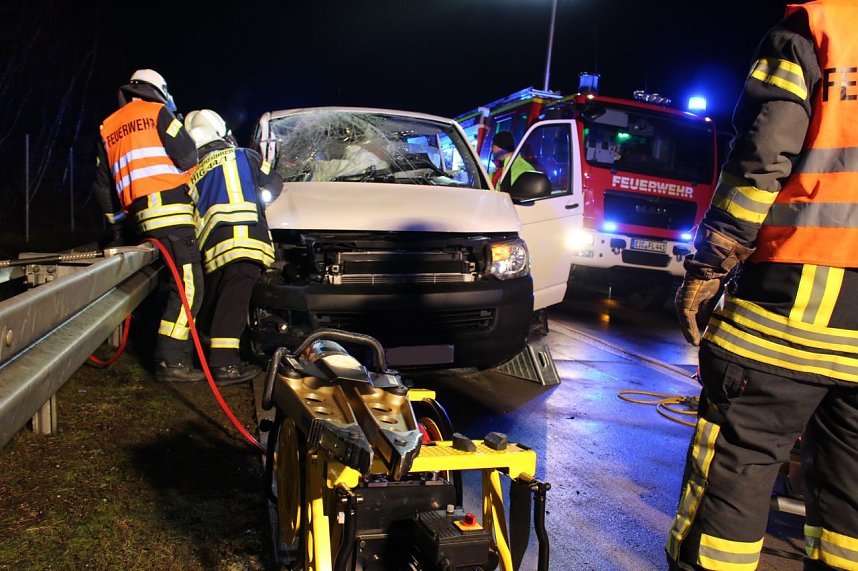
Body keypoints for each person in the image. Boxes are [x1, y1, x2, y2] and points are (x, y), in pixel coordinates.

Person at [668, 2, 858, 569]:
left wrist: (708, 266)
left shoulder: (823, 29)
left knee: (740, 460)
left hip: (796, 299)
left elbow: (761, 158)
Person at [93, 69, 205, 383]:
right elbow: (187, 156)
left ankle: (172, 357)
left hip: (142, 219)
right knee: (190, 287)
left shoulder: (108, 127)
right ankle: (171, 362)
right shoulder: (160, 113)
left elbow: (103, 188)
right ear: (159, 91)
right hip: (172, 212)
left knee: (173, 285)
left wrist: (115, 227)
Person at [184, 109, 281, 385]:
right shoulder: (245, 156)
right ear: (220, 132)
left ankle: (209, 353)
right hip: (246, 241)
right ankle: (224, 365)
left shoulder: (191, 173)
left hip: (212, 250)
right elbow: (274, 184)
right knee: (234, 302)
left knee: (218, 300)